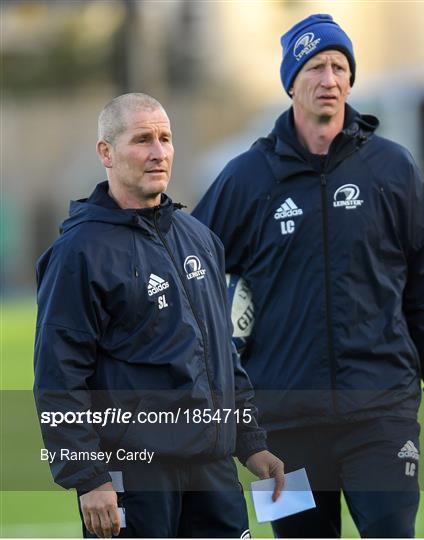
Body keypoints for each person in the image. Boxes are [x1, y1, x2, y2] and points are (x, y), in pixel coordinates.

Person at [192, 14, 424, 539]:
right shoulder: (247, 178)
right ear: (291, 82)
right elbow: (191, 268)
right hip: (282, 422)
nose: (329, 78)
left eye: (340, 66)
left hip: (380, 409)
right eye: (315, 66)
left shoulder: (392, 169)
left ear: (351, 79)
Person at [33, 92, 284, 539]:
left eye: (165, 139)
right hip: (136, 477)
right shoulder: (79, 253)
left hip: (212, 473)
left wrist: (251, 443)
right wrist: (88, 476)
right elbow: (58, 376)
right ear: (105, 153)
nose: (158, 152)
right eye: (142, 139)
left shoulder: (200, 238)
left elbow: (221, 356)